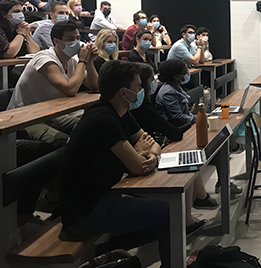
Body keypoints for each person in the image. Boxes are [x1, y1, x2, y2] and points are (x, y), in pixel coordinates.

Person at [58, 60, 171, 267]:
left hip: (103, 195)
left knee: (161, 211)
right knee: (169, 214)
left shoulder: (119, 112)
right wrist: (138, 153)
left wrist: (151, 155)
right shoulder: (103, 119)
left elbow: (151, 144)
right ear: (123, 92)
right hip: (87, 210)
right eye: (138, 87)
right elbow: (138, 168)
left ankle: (110, 249)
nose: (142, 90)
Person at [131, 63, 218, 210]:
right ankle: (193, 210)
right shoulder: (145, 106)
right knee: (189, 158)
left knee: (196, 152)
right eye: (152, 79)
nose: (155, 82)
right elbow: (173, 130)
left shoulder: (147, 101)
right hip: (159, 142)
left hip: (155, 143)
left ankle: (202, 198)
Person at [7, 21, 99, 149]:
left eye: (78, 38)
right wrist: (83, 60)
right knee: (63, 142)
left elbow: (95, 87)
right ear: (56, 41)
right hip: (26, 117)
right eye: (71, 39)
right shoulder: (45, 59)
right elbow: (70, 89)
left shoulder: (73, 60)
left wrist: (89, 62)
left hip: (52, 113)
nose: (77, 42)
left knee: (94, 127)